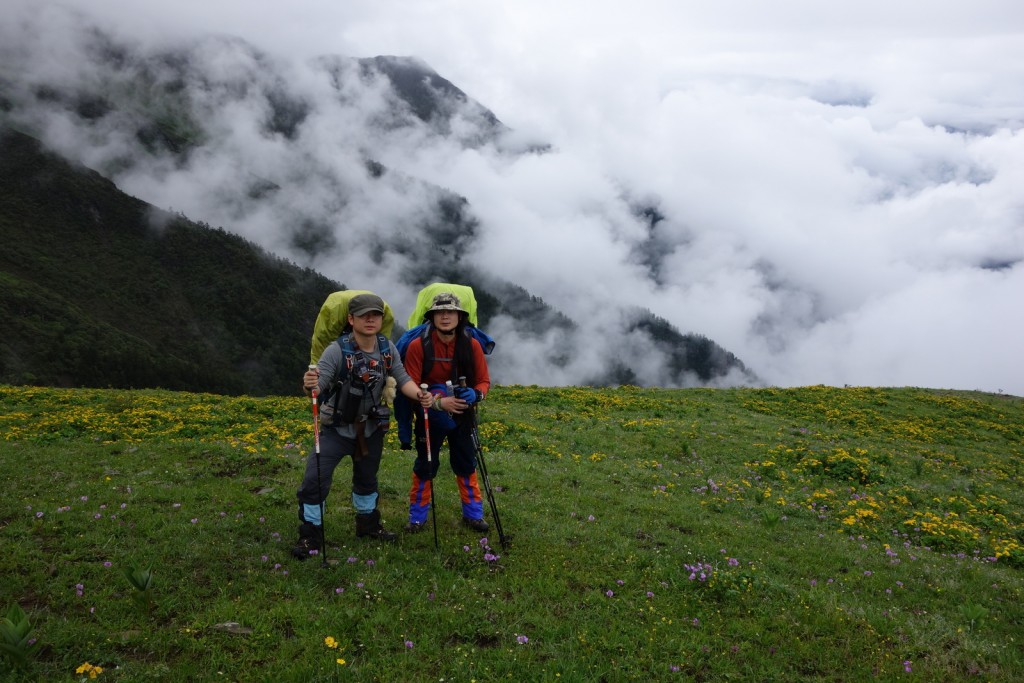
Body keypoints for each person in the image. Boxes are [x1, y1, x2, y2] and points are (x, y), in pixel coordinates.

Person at [293, 293, 432, 559]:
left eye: (376, 314)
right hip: (335, 429)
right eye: (364, 315)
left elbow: (402, 378)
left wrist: (422, 396)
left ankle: (367, 525)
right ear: (351, 319)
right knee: (315, 479)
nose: (370, 319)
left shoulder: (386, 348)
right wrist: (310, 383)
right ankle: (310, 533)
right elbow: (318, 384)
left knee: (367, 480)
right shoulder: (337, 350)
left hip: (369, 430)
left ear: (381, 318)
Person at [402, 291, 492, 534]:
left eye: (450, 312)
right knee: (426, 464)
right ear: (431, 317)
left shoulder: (471, 345)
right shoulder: (418, 346)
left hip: (463, 412)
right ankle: (417, 518)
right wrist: (439, 402)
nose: (445, 316)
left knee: (465, 462)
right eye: (439, 312)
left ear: (459, 317)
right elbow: (410, 383)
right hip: (430, 414)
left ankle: (473, 515)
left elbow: (483, 380)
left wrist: (477, 395)